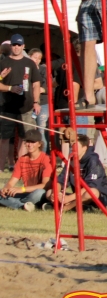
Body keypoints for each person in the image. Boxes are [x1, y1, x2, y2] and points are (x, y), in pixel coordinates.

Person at [0, 33, 41, 161]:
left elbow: (36, 84)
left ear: (23, 46)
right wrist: (9, 87)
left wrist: (36, 102)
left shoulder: (30, 63)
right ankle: (1, 168)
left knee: (26, 138)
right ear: (11, 46)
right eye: (14, 45)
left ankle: (20, 165)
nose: (16, 47)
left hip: (26, 107)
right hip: (7, 107)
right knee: (4, 138)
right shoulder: (3, 62)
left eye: (19, 45)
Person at [48, 134, 107, 213]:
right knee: (49, 192)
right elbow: (60, 180)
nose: (72, 148)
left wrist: (68, 198)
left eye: (75, 146)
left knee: (91, 192)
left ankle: (67, 208)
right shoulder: (72, 160)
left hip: (98, 198)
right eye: (71, 145)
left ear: (84, 148)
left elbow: (90, 186)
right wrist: (55, 193)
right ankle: (78, 206)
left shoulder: (93, 160)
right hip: (77, 196)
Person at [0, 130, 51, 211]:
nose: (29, 145)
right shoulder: (22, 159)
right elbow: (11, 182)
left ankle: (19, 205)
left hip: (41, 194)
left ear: (39, 144)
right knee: (1, 193)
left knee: (39, 192)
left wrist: (22, 189)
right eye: (27, 142)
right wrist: (6, 189)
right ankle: (25, 206)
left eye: (33, 142)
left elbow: (45, 185)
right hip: (26, 193)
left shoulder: (46, 159)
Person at [28, 48, 49, 153]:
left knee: (40, 131)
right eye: (34, 57)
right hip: (28, 104)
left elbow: (52, 87)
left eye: (39, 58)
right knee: (30, 131)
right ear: (29, 57)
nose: (36, 60)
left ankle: (43, 156)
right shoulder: (26, 69)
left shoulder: (44, 70)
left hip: (43, 103)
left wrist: (43, 89)